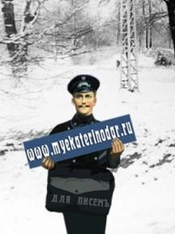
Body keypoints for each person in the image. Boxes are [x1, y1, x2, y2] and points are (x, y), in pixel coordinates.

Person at [42, 74, 125, 234]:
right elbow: (49, 160)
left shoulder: (106, 132)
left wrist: (115, 154)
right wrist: (48, 164)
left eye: (88, 96)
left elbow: (112, 164)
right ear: (73, 100)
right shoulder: (59, 131)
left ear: (95, 100)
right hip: (69, 197)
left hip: (96, 198)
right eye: (79, 96)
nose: (84, 101)